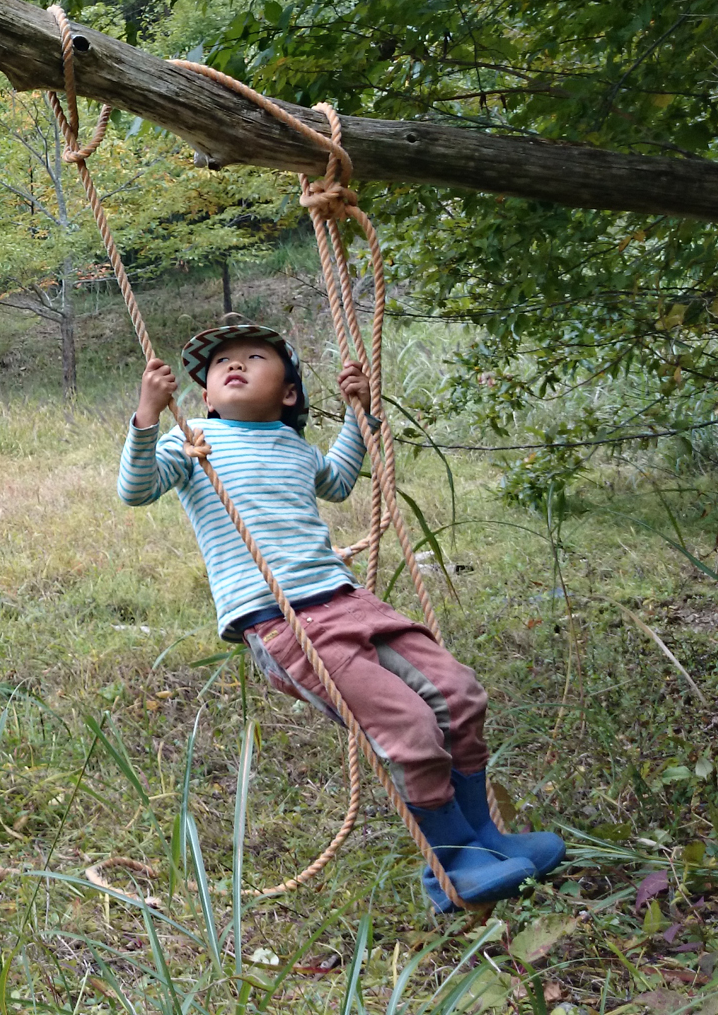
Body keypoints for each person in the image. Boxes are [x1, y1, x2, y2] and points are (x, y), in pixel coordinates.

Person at [120, 316, 562, 911]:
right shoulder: (193, 440)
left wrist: (359, 412)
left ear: (289, 393)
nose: (234, 364)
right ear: (205, 396)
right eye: (221, 363)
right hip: (283, 622)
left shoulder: (295, 447)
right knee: (407, 727)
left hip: (349, 601)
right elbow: (136, 489)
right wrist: (148, 413)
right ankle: (450, 863)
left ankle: (486, 838)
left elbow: (336, 481)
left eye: (254, 357)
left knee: (458, 693)